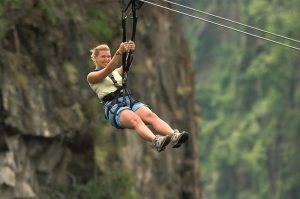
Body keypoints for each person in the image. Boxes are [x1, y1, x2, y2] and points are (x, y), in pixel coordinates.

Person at [87, 41, 189, 152]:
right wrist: (119, 52)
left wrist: (130, 51)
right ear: (95, 58)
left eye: (108, 56)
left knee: (150, 115)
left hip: (128, 101)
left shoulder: (116, 72)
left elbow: (126, 65)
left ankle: (173, 135)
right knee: (135, 119)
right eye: (103, 57)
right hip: (114, 107)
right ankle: (155, 140)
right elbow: (106, 71)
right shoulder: (92, 77)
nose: (107, 59)